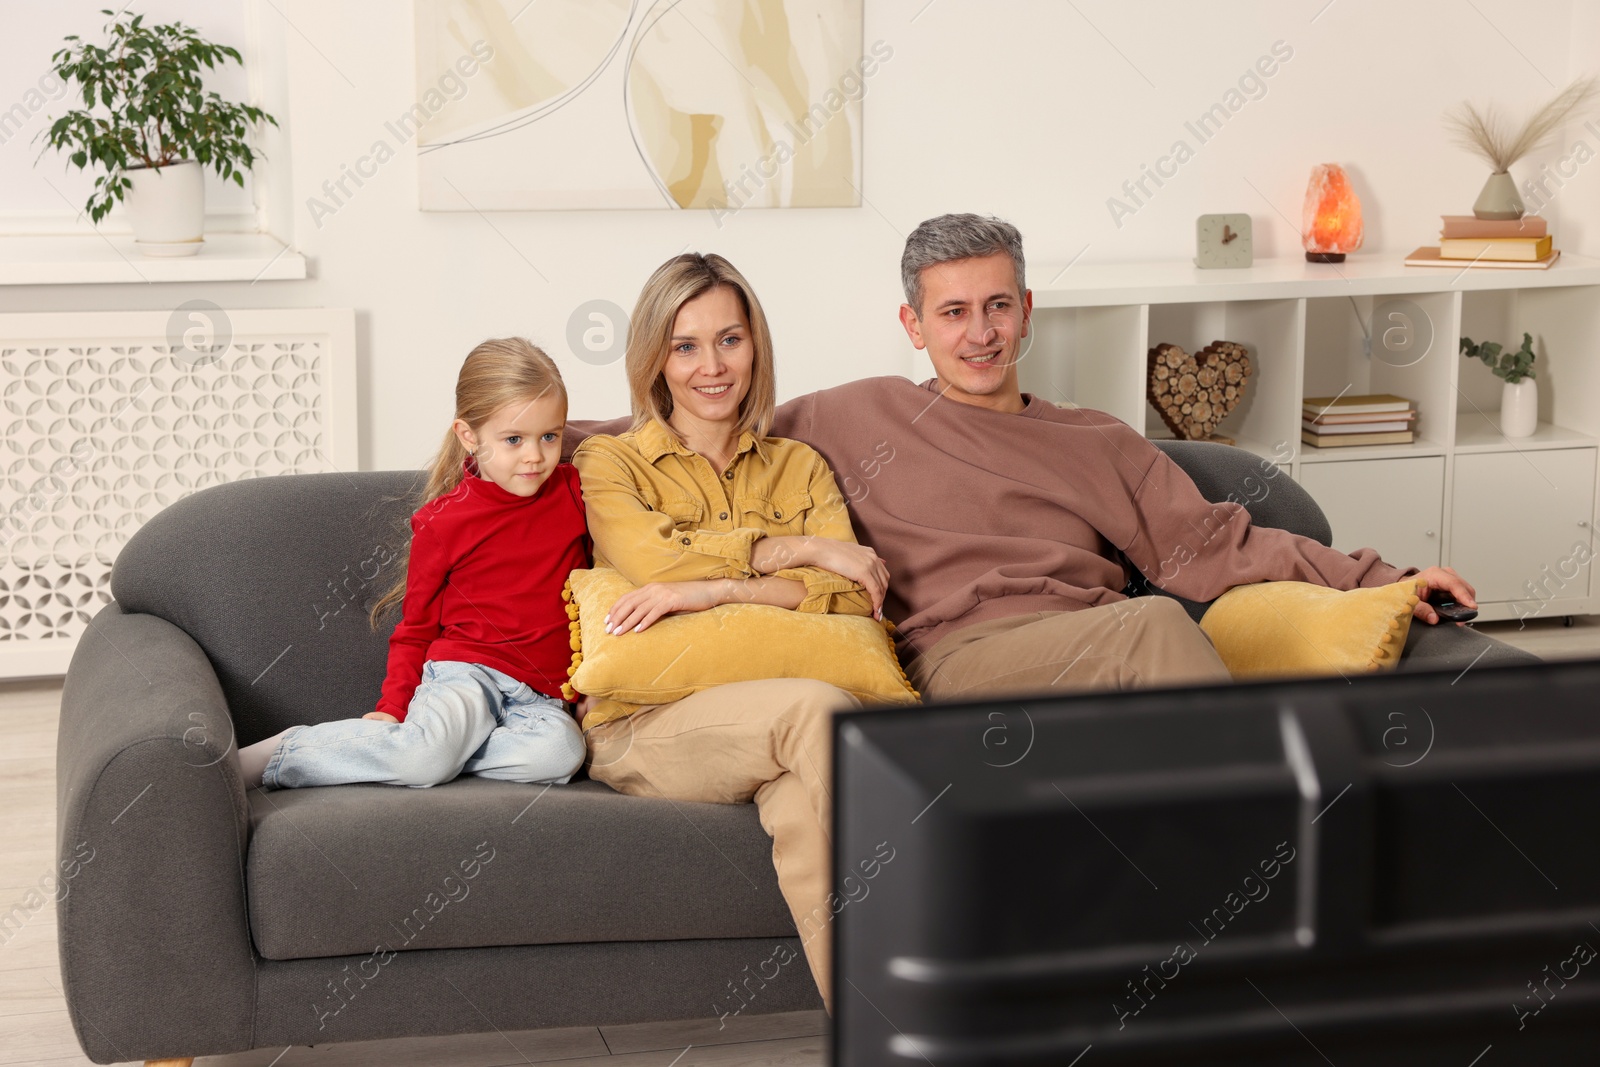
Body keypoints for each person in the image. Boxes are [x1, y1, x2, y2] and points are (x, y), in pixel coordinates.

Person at [565, 215, 1479, 703]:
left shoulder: (1096, 439)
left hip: (1093, 641)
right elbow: (695, 417)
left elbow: (1219, 543)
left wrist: (1384, 578)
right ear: (913, 326)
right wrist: (515, 441)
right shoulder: (853, 414)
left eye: (996, 306)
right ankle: (1268, 872)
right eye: (953, 313)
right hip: (959, 655)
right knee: (1159, 629)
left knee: (1152, 627)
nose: (979, 333)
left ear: (1028, 309)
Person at [572, 252, 889, 1013]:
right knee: (816, 711)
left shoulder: (801, 468)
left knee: (804, 818)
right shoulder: (607, 462)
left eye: (730, 340)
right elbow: (653, 559)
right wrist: (799, 552)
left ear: (757, 347)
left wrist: (707, 589)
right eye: (685, 346)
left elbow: (847, 600)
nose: (711, 367)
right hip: (650, 726)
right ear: (654, 357)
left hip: (770, 731)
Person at [238, 338, 588, 791]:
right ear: (469, 436)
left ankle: (433, 750)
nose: (535, 455)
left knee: (560, 756)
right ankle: (288, 752)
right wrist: (393, 707)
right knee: (424, 761)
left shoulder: (576, 491)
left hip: (541, 696)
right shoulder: (443, 522)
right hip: (466, 674)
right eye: (514, 439)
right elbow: (416, 629)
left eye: (550, 436)